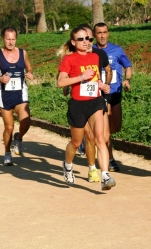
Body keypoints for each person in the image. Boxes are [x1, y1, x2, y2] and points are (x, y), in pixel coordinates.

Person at [57, 27, 116, 190]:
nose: (86, 42)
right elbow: (60, 82)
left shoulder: (96, 56)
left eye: (88, 39)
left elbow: (95, 79)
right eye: (81, 39)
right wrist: (80, 77)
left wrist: (103, 86)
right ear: (73, 42)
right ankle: (67, 165)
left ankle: (105, 176)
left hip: (96, 101)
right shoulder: (69, 60)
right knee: (76, 143)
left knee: (100, 138)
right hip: (78, 105)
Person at [0, 27, 34, 166]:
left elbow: (29, 67)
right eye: (8, 39)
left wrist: (29, 73)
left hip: (20, 92)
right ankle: (7, 152)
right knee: (9, 127)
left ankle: (18, 138)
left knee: (25, 122)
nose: (11, 42)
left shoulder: (22, 53)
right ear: (3, 39)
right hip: (4, 93)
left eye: (13, 39)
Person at [93, 22, 132, 172]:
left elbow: (127, 66)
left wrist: (127, 80)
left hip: (115, 92)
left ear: (108, 33)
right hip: (100, 94)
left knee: (116, 126)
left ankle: (93, 138)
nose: (102, 35)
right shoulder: (91, 51)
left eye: (105, 32)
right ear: (94, 35)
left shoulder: (117, 50)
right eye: (99, 33)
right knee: (106, 130)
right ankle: (109, 159)